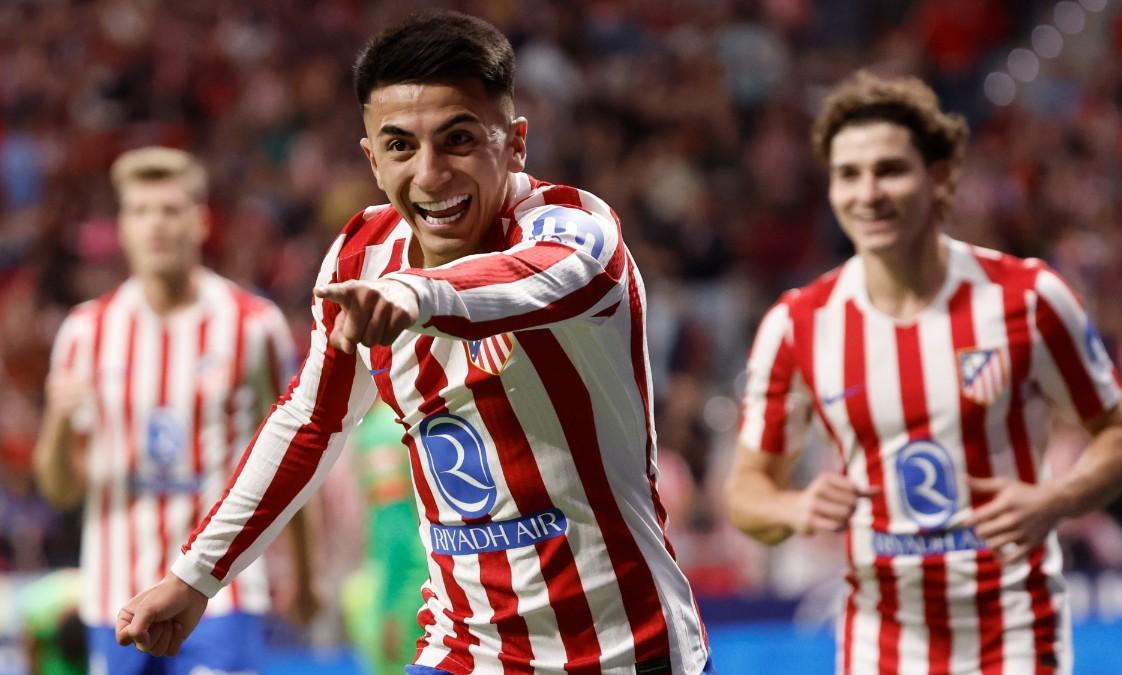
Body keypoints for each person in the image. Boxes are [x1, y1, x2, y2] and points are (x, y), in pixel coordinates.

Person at [116, 11, 712, 675]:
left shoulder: (576, 230)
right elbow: (311, 422)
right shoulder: (360, 256)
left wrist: (418, 294)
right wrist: (197, 574)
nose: (429, 175)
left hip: (627, 651)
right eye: (400, 146)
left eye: (458, 139)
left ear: (514, 144)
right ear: (372, 158)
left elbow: (524, 280)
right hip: (463, 650)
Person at [724, 70, 1122, 674]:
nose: (867, 193)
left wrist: (1056, 499)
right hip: (879, 643)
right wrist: (795, 509)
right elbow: (745, 493)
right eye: (848, 175)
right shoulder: (797, 324)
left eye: (889, 169)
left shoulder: (1029, 296)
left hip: (1017, 631)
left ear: (941, 175)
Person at [34, 146, 319, 675]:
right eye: (141, 211)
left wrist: (303, 575)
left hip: (223, 594)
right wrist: (54, 423)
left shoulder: (252, 325)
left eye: (170, 210)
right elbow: (60, 490)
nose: (155, 225)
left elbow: (294, 450)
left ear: (200, 220)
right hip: (114, 594)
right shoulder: (84, 333)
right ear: (122, 226)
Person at [340, 401, 429, 675]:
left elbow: (398, 532)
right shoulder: (407, 415)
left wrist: (394, 608)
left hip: (406, 594)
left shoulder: (383, 431)